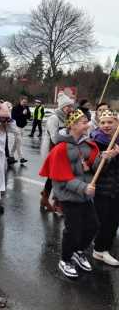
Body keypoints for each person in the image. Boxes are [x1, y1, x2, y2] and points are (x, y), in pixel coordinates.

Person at [39, 109, 107, 278]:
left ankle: (78, 251)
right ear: (74, 125)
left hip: (85, 195)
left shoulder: (86, 143)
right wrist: (83, 188)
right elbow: (61, 179)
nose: (88, 124)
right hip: (69, 196)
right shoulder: (60, 148)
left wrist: (105, 157)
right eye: (84, 122)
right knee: (73, 230)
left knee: (93, 226)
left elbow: (93, 165)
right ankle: (65, 259)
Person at [90, 110, 119, 266]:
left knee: (114, 221)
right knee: (102, 220)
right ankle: (99, 249)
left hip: (117, 189)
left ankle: (103, 248)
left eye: (110, 122)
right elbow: (93, 168)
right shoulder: (95, 141)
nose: (106, 125)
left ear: (117, 123)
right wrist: (105, 158)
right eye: (103, 122)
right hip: (102, 190)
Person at [39, 92, 75, 213]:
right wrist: (70, 135)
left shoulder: (68, 118)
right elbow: (55, 138)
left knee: (59, 176)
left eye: (71, 106)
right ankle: (47, 199)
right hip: (52, 150)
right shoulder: (53, 118)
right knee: (53, 176)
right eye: (67, 107)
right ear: (61, 107)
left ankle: (54, 199)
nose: (70, 109)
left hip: (64, 150)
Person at [8, 96, 31, 164]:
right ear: (20, 101)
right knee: (19, 142)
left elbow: (29, 117)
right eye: (23, 102)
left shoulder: (26, 107)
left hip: (22, 126)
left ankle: (11, 156)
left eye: (26, 102)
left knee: (17, 142)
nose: (25, 103)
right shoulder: (15, 108)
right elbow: (13, 117)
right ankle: (21, 158)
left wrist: (27, 113)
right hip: (16, 127)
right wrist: (22, 113)